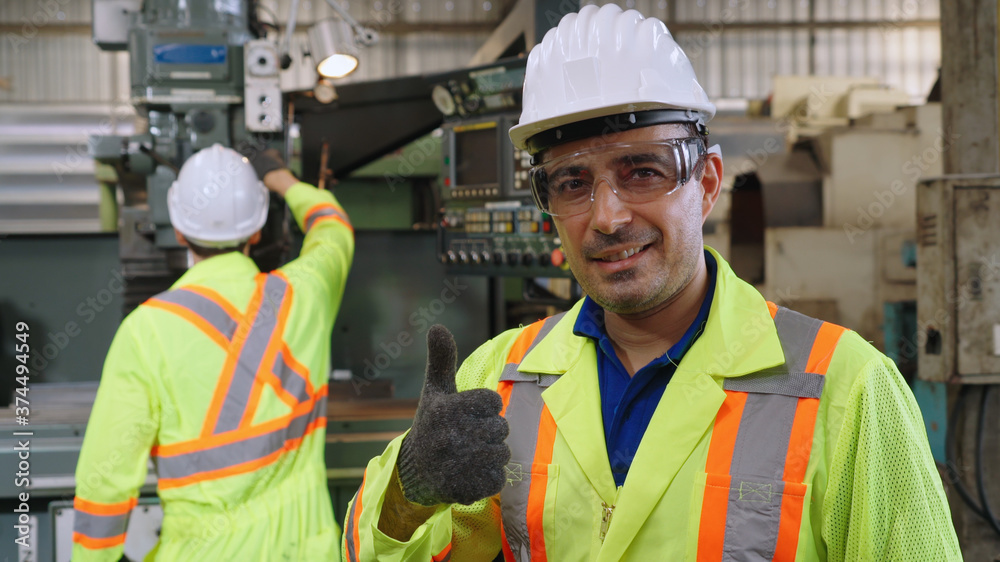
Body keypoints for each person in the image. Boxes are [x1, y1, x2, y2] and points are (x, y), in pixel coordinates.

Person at [342, 5, 961, 561]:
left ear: (708, 182)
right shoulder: (498, 378)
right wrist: (408, 495)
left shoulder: (847, 392)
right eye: (572, 182)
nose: (607, 217)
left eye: (643, 171)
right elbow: (369, 550)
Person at [72, 143, 354, 561]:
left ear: (180, 229)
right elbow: (332, 227)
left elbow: (105, 483)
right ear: (257, 230)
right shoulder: (305, 293)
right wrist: (282, 180)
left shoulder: (145, 332)